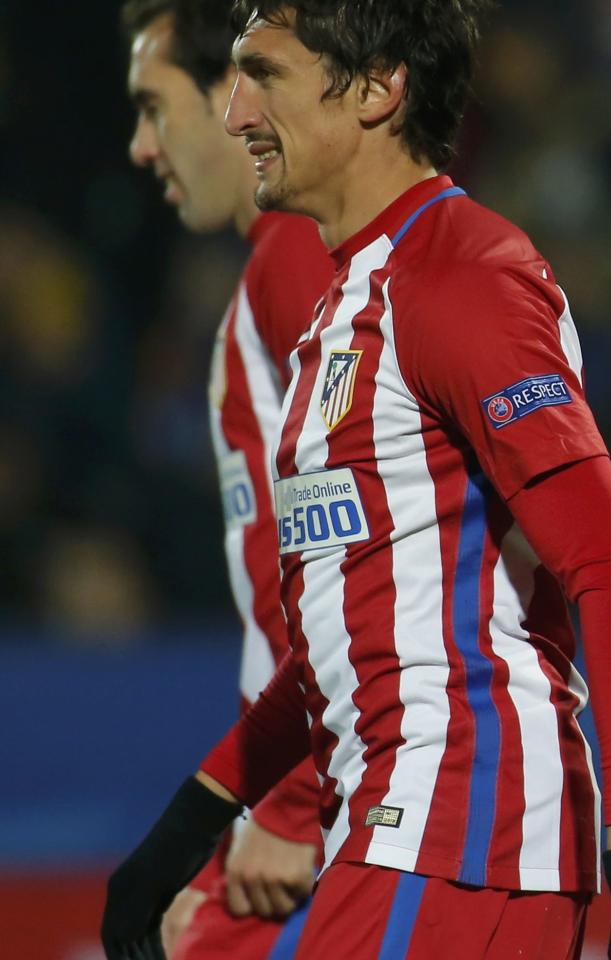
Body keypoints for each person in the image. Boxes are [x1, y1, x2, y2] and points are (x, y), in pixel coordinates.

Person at [101, 2, 611, 958]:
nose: (235, 114)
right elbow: (349, 634)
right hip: (404, 821)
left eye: (265, 75)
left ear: (380, 88)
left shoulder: (462, 278)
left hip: (466, 819)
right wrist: (186, 825)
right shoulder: (345, 303)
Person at [121, 1, 332, 955]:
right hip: (328, 771)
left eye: (153, 108)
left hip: (345, 790)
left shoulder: (297, 259)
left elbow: (355, 533)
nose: (139, 146)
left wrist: (286, 806)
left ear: (229, 97)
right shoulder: (280, 265)